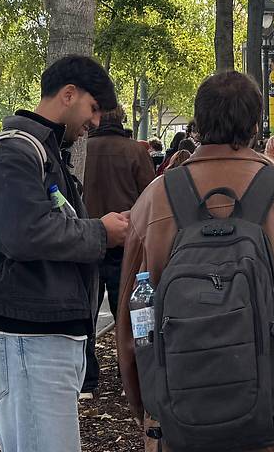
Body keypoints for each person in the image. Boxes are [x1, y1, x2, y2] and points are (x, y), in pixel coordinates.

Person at [116, 71, 274, 451]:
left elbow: (134, 322)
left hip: (183, 409)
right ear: (256, 125)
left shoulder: (152, 200)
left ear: (198, 125)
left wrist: (146, 407)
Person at [0, 55, 131, 451]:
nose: (95, 122)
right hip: (25, 336)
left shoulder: (43, 153)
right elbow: (25, 233)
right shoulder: (13, 153)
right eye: (93, 108)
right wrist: (101, 232)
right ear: (68, 94)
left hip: (40, 336)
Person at [81, 106, 156, 399]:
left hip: (87, 240)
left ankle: (87, 381)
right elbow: (149, 197)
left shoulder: (81, 150)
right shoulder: (135, 151)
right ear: (122, 120)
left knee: (86, 312)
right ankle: (132, 377)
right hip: (127, 241)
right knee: (129, 313)